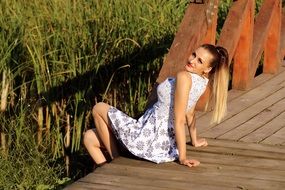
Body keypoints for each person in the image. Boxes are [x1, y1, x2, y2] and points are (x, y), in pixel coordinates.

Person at [84, 44, 229, 168]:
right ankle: (108, 168)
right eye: (193, 54)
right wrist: (195, 140)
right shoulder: (202, 81)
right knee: (89, 137)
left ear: (207, 69)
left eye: (199, 61)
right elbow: (189, 112)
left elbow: (179, 119)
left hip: (150, 136)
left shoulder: (184, 77)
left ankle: (115, 161)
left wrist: (183, 158)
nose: (192, 60)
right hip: (156, 136)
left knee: (99, 108)